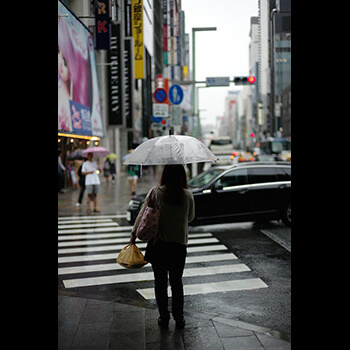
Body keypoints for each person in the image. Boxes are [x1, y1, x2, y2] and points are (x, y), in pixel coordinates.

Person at [130, 164, 195, 329]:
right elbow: (190, 218)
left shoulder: (156, 192)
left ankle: (163, 317)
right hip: (178, 246)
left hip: (159, 246)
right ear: (182, 176)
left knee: (160, 283)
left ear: (164, 174)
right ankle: (179, 318)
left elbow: (143, 214)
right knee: (176, 283)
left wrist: (133, 235)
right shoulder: (187, 195)